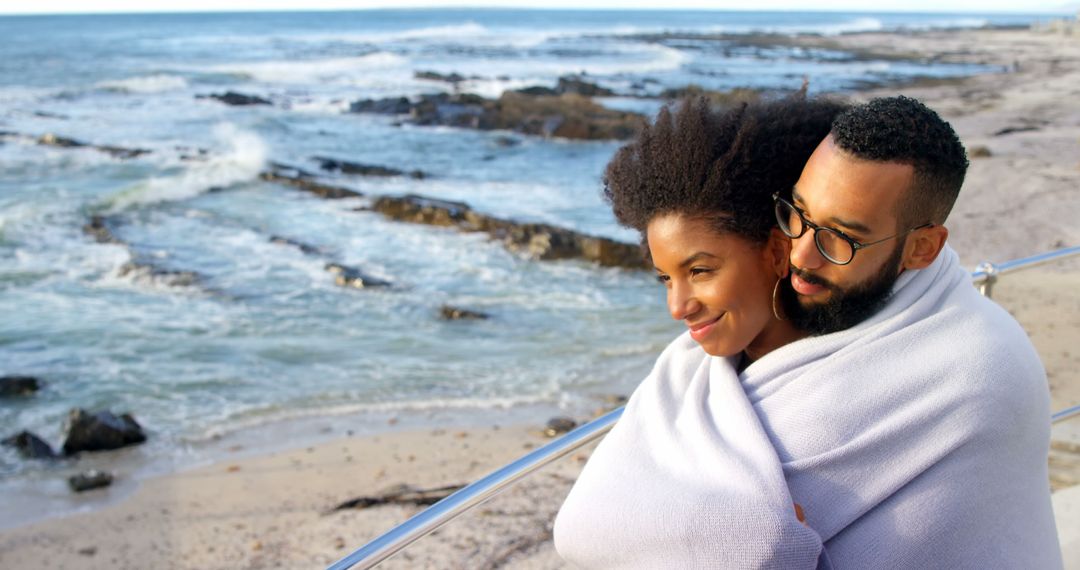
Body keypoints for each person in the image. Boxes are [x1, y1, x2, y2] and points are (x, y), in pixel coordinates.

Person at [555, 94, 1063, 569]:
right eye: (797, 215)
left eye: (841, 238)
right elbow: (583, 527)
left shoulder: (971, 367)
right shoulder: (699, 361)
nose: (799, 254)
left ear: (922, 249)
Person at [554, 94, 848, 568]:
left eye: (700, 271)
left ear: (777, 250)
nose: (676, 306)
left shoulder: (857, 385)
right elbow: (577, 530)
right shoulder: (680, 371)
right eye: (666, 278)